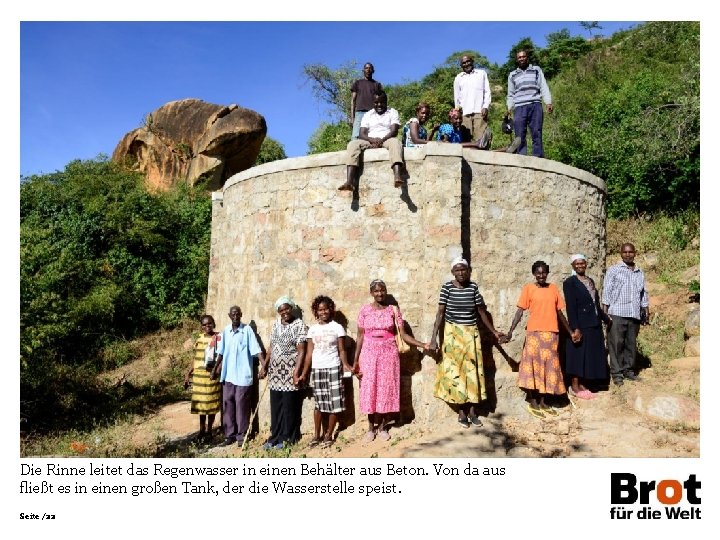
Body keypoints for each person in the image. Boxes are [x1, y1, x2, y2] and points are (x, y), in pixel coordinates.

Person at [429, 257, 505, 428]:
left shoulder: (473, 287)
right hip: (452, 334)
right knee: (456, 373)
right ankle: (461, 412)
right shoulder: (447, 288)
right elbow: (440, 314)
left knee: (472, 373)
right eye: (457, 270)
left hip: (471, 334)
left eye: (464, 269)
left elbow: (481, 312)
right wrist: (434, 339)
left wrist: (494, 332)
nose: (461, 273)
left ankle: (472, 411)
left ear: (469, 271)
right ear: (452, 272)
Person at [353, 280, 430, 442]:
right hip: (368, 353)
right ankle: (370, 428)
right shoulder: (365, 310)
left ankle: (382, 427)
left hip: (388, 354)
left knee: (385, 389)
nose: (380, 294)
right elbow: (360, 337)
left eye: (382, 290)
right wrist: (356, 361)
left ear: (386, 291)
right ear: (371, 293)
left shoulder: (393, 310)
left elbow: (403, 335)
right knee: (370, 389)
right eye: (376, 291)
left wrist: (422, 344)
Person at [506, 261, 576, 418]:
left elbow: (559, 313)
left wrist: (570, 331)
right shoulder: (528, 289)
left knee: (548, 368)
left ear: (547, 273)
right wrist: (510, 331)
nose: (541, 275)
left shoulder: (553, 289)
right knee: (533, 367)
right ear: (533, 274)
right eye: (538, 273)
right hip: (534, 334)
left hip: (551, 335)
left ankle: (544, 401)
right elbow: (519, 311)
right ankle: (533, 400)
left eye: (544, 272)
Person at [302, 295, 353, 448]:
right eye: (320, 309)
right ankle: (316, 435)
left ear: (331, 310)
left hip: (333, 368)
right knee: (319, 404)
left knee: (334, 404)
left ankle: (329, 434)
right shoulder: (313, 329)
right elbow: (309, 353)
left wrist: (345, 365)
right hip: (317, 369)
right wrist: (305, 373)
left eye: (326, 309)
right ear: (316, 311)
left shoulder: (337, 327)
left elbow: (342, 350)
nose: (323, 312)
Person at [211, 305, 265, 447]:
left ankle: (242, 436)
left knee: (242, 406)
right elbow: (221, 353)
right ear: (229, 315)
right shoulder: (226, 332)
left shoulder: (247, 330)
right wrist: (215, 369)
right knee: (228, 405)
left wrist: (264, 365)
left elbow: (256, 350)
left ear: (241, 315)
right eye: (233, 314)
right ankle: (230, 435)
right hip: (228, 376)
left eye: (238, 314)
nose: (235, 316)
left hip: (242, 376)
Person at [259, 296, 307, 450]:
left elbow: (302, 351)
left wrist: (296, 372)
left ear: (291, 308)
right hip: (275, 373)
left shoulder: (299, 325)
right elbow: (271, 348)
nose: (284, 312)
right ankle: (275, 436)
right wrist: (264, 366)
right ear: (278, 312)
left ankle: (288, 437)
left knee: (289, 406)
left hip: (289, 373)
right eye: (281, 310)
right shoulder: (276, 325)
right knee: (276, 406)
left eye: (286, 308)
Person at [563, 254, 611, 399]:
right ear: (572, 265)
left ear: (586, 264)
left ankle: (584, 384)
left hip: (593, 323)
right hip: (581, 324)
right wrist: (575, 327)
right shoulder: (570, 283)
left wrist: (605, 318)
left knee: (588, 356)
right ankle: (574, 386)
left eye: (582, 263)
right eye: (577, 264)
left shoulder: (590, 281)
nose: (580, 266)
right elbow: (571, 306)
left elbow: (595, 304)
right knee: (578, 355)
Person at [602, 243, 650, 386]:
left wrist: (646, 310)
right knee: (616, 344)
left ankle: (628, 371)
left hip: (634, 314)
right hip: (617, 313)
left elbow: (643, 294)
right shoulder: (614, 270)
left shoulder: (639, 272)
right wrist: (605, 314)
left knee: (631, 344)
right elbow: (607, 292)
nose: (628, 254)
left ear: (635, 253)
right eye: (625, 252)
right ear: (621, 253)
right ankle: (616, 374)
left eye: (630, 252)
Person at [339, 90, 405, 190]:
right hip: (369, 139)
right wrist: (372, 139)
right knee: (352, 144)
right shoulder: (368, 115)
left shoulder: (392, 112)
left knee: (396, 142)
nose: (379, 105)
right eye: (376, 102)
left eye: (382, 102)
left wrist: (381, 140)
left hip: (386, 138)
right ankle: (349, 181)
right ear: (373, 103)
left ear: (386, 102)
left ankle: (397, 176)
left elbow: (394, 131)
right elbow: (361, 134)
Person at [506, 49, 553, 158]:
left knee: (536, 132)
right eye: (519, 57)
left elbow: (543, 86)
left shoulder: (536, 70)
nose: (521, 59)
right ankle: (521, 158)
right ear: (517, 60)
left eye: (523, 56)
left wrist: (548, 102)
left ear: (527, 57)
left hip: (535, 104)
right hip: (519, 107)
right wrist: (509, 108)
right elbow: (510, 94)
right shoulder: (512, 75)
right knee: (519, 134)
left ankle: (538, 157)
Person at [184, 314, 222, 442]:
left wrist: (216, 371)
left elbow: (222, 356)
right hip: (199, 376)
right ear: (201, 326)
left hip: (212, 376)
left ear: (214, 324)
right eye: (204, 325)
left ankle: (209, 431)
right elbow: (196, 357)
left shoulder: (218, 338)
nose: (207, 326)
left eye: (209, 324)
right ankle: (201, 430)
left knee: (211, 404)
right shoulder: (199, 338)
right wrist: (188, 373)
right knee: (201, 405)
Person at [454, 54, 491, 142]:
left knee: (481, 140)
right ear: (461, 65)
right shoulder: (458, 78)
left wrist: (485, 106)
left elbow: (487, 91)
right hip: (464, 114)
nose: (466, 64)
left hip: (479, 112)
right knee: (466, 141)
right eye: (464, 63)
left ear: (472, 62)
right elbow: (457, 97)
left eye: (468, 61)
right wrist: (457, 113)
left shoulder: (481, 74)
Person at [350, 62, 383, 140]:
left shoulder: (377, 84)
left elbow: (381, 100)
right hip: (359, 113)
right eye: (366, 68)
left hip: (373, 113)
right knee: (355, 136)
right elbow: (353, 100)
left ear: (373, 71)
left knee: (372, 136)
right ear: (363, 70)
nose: (368, 70)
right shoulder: (357, 83)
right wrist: (352, 117)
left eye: (370, 68)